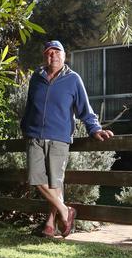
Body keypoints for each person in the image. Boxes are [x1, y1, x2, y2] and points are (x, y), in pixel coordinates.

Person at [20, 40, 114, 238]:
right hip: (34, 135)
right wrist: (25, 127)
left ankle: (49, 224)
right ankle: (65, 211)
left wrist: (94, 128)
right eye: (48, 53)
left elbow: (84, 109)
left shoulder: (73, 79)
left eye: (56, 52)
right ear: (44, 56)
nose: (51, 56)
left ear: (64, 56)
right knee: (35, 178)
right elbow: (29, 106)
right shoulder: (36, 78)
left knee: (55, 183)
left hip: (59, 138)